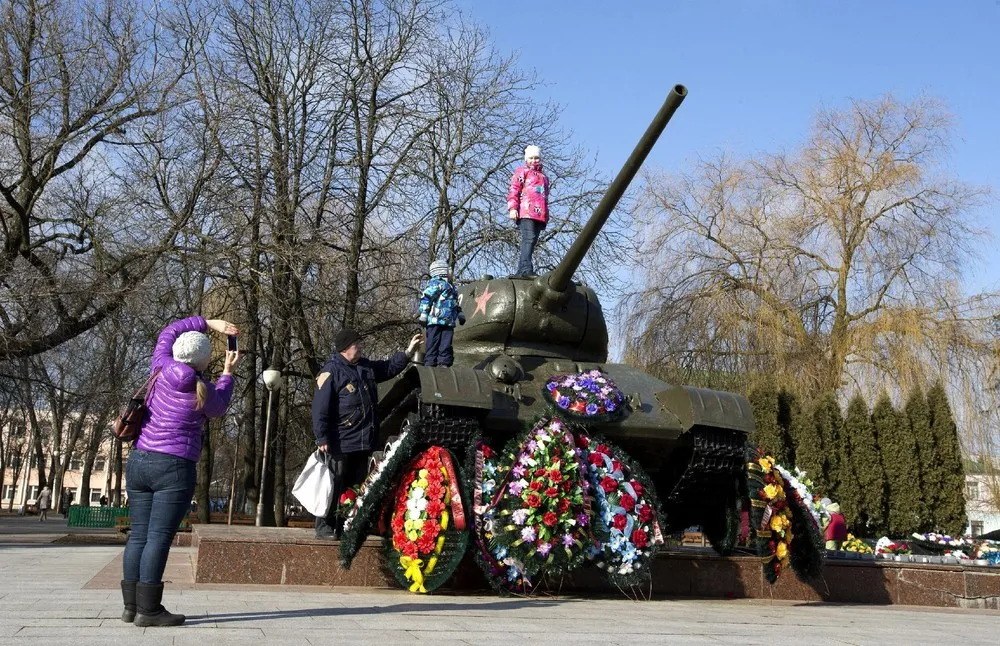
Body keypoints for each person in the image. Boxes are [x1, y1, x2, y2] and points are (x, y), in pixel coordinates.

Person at [121, 316, 239, 627]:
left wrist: (207, 322)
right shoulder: (204, 390)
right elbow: (221, 405)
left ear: (175, 352)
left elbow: (168, 331)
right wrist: (227, 373)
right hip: (173, 467)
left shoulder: (159, 366)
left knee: (139, 536)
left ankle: (131, 607)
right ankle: (149, 610)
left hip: (139, 460)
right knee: (158, 537)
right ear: (203, 361)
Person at [311, 329, 422, 538]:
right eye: (356, 344)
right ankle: (324, 526)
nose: (360, 347)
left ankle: (345, 525)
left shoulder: (365, 367)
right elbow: (320, 407)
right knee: (334, 485)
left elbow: (389, 368)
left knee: (354, 487)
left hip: (362, 441)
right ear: (345, 348)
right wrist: (322, 437)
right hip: (339, 441)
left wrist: (408, 353)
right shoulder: (330, 372)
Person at [506, 144, 550, 277]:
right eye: (531, 158)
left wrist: (546, 216)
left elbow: (544, 198)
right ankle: (525, 269)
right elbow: (514, 189)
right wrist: (513, 208)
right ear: (526, 158)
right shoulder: (522, 171)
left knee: (532, 242)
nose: (534, 160)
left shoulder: (544, 177)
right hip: (525, 211)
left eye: (536, 158)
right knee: (528, 239)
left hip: (539, 214)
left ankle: (521, 271)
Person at [419, 260, 465, 367]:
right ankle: (430, 363)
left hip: (448, 322)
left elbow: (455, 303)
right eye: (448, 269)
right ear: (442, 271)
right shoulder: (436, 284)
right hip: (434, 320)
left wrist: (460, 314)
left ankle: (443, 363)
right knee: (432, 343)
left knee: (446, 344)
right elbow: (427, 298)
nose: (451, 272)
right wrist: (424, 314)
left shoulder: (452, 288)